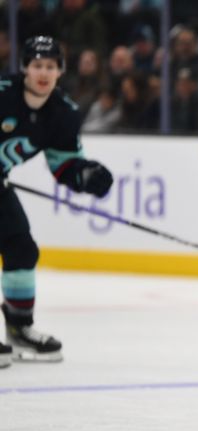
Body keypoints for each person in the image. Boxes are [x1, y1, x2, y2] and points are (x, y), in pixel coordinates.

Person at [0, 36, 113, 369]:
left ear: (60, 71)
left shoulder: (63, 113)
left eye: (50, 66)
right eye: (37, 65)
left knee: (21, 247)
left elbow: (63, 165)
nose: (43, 73)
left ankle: (20, 329)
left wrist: (85, 175)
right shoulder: (3, 93)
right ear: (24, 69)